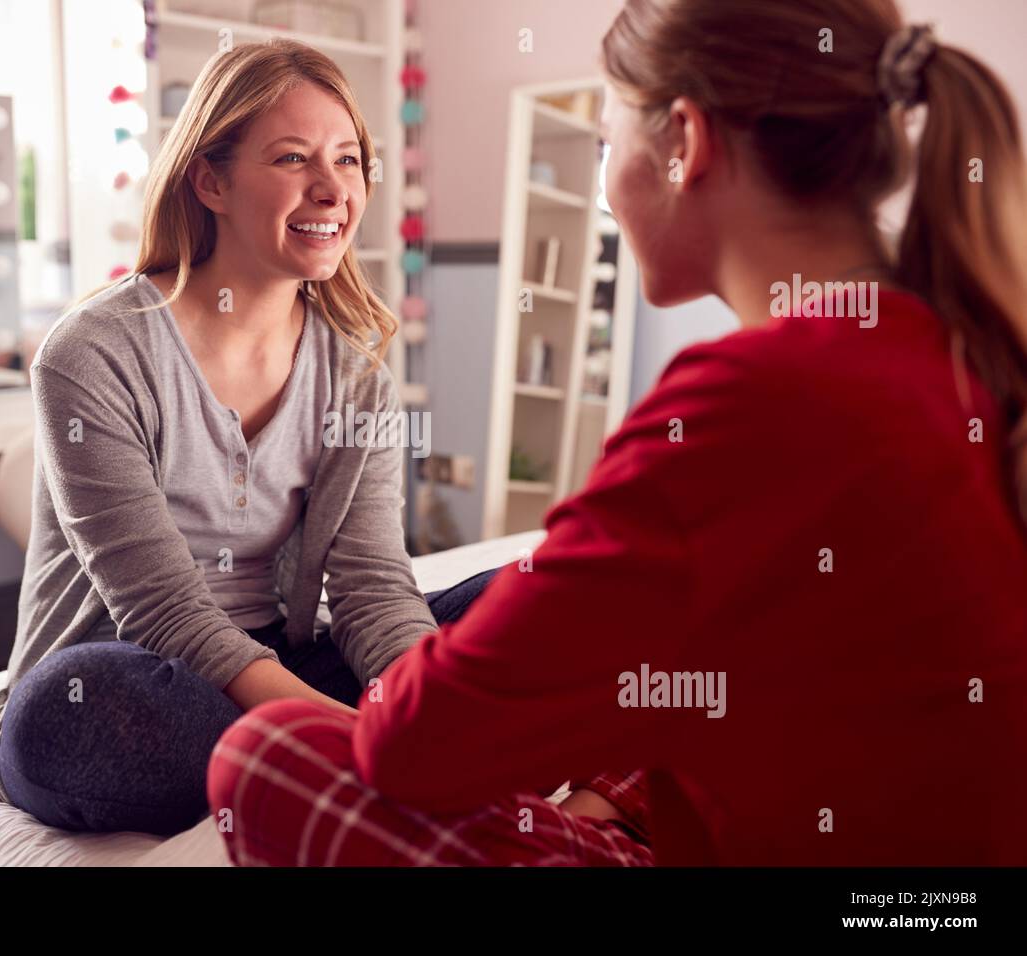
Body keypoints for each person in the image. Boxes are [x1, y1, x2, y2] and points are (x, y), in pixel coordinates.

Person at [207, 0, 1027, 866]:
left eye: (608, 141)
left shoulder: (749, 402)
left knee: (266, 760)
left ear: (684, 141)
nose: (605, 178)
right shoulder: (961, 344)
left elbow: (412, 745)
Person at [0, 38, 508, 837]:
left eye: (351, 160)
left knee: (536, 601)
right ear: (211, 180)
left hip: (280, 662)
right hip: (129, 670)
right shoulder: (94, 352)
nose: (333, 189)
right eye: (293, 158)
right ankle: (369, 779)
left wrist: (419, 713)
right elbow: (163, 611)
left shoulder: (356, 378)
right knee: (73, 715)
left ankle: (320, 774)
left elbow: (371, 589)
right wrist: (366, 738)